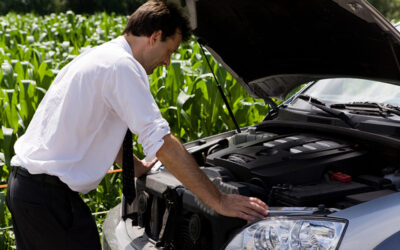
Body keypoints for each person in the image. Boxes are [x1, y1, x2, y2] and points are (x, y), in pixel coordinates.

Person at [6, 1, 269, 249]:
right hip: (47, 198)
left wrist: (137, 166)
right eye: (170, 51)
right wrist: (219, 200)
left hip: (31, 191)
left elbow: (98, 126)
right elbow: (161, 142)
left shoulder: (101, 56)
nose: (167, 62)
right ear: (154, 37)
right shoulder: (122, 66)